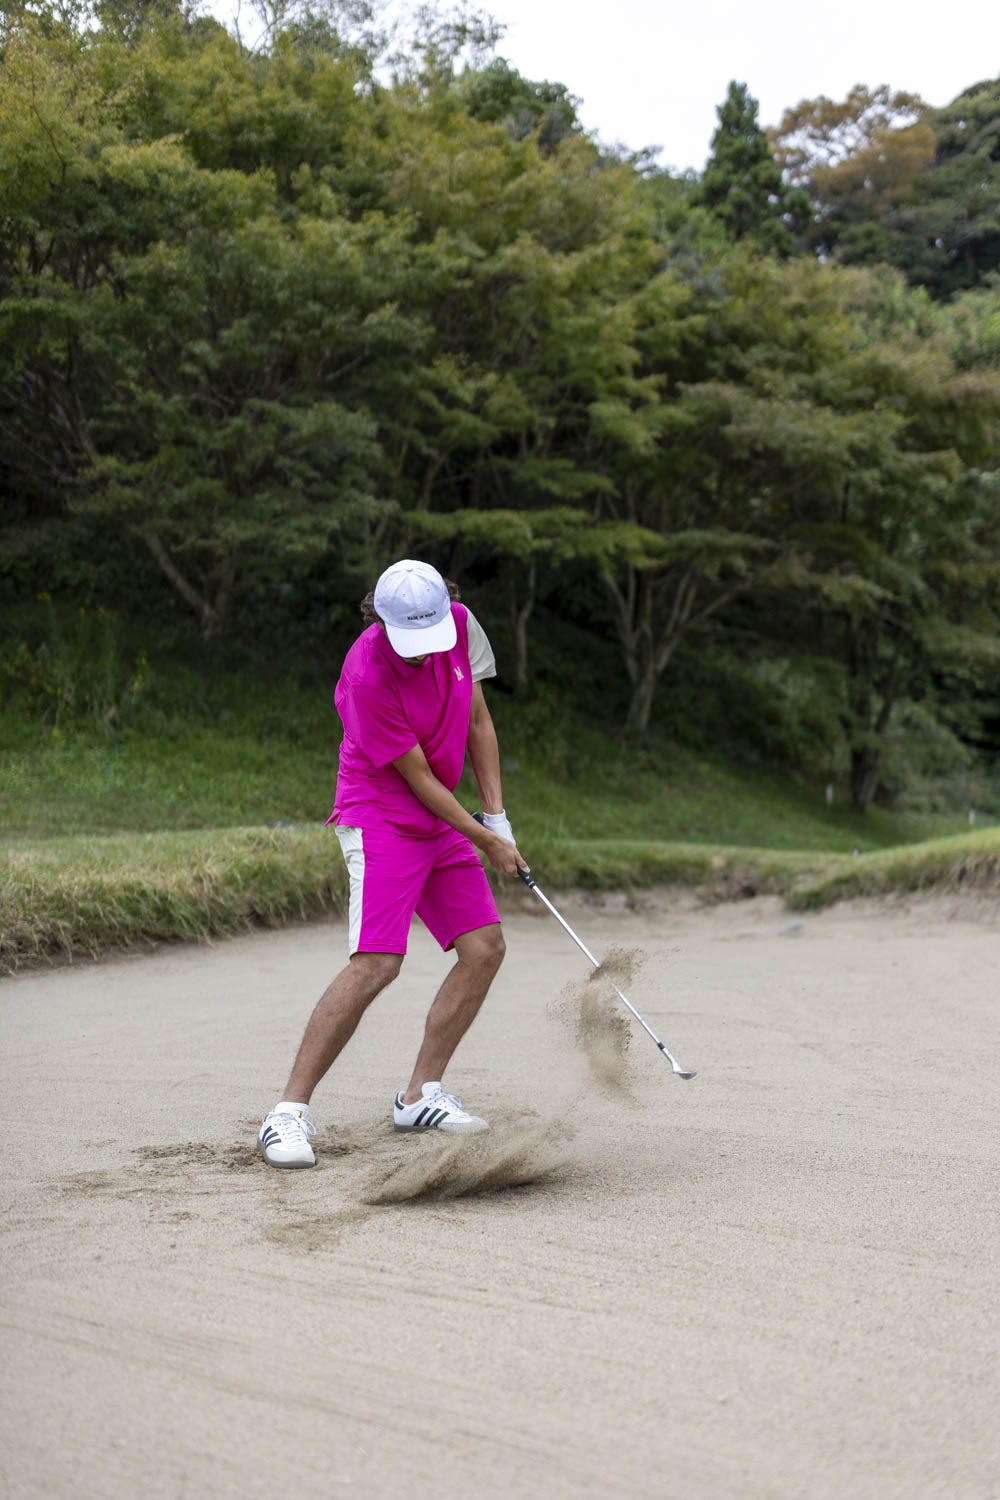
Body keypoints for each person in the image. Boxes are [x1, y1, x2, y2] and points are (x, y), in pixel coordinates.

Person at [258, 558, 529, 1168]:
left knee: (484, 948)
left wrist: (497, 818)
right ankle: (287, 1114)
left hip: (441, 815)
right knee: (378, 963)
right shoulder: (366, 675)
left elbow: (478, 719)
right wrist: (485, 841)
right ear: (380, 622)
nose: (423, 651)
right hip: (381, 814)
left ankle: (420, 1096)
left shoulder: (460, 625)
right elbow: (419, 779)